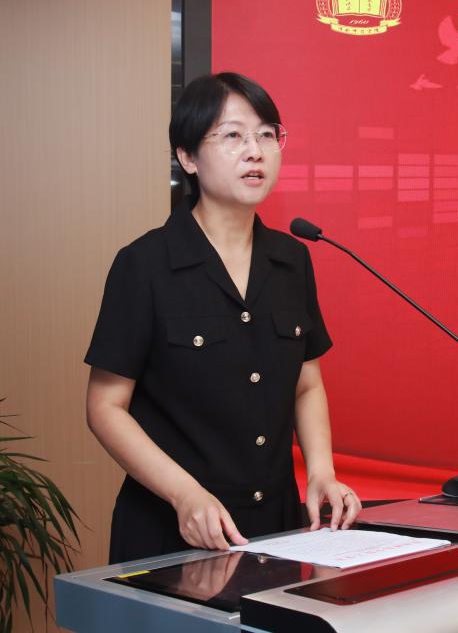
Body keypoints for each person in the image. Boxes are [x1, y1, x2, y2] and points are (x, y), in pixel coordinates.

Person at [85, 72, 361, 563]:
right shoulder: (144, 265)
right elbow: (106, 407)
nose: (255, 152)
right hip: (172, 527)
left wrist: (321, 471)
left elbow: (306, 384)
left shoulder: (292, 260)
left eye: (266, 135)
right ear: (187, 157)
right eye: (232, 135)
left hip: (276, 528)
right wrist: (184, 494)